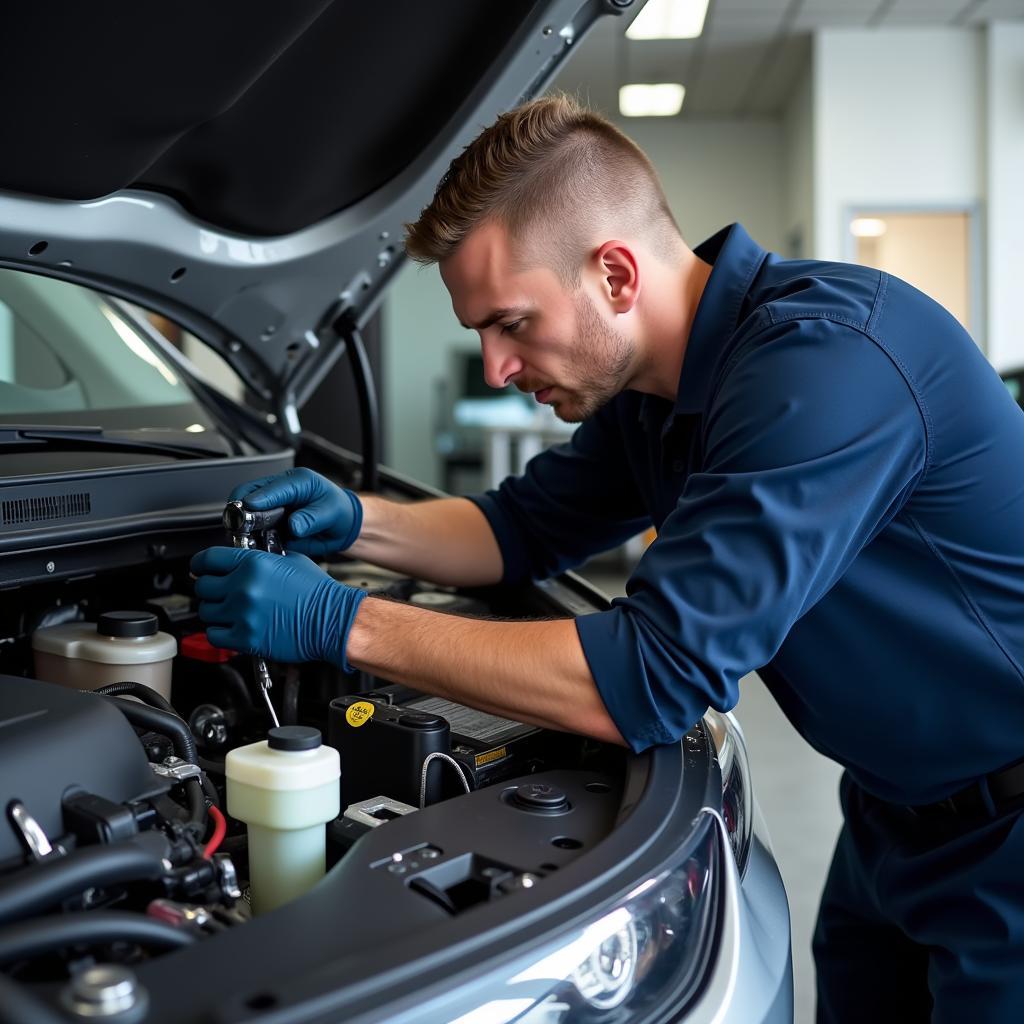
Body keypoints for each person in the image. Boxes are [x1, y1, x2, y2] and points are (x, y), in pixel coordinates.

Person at [191, 95, 1024, 1022]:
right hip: (894, 812)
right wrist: (355, 523)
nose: (496, 366)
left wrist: (340, 621)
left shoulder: (824, 368)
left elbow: (652, 676)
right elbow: (518, 531)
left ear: (615, 275)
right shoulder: (655, 392)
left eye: (510, 323)